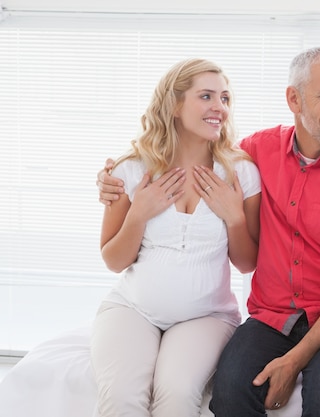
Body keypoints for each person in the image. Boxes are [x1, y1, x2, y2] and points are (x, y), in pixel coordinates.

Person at [98, 46, 320, 417]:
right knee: (229, 394)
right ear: (294, 98)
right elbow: (200, 150)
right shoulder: (259, 151)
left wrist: (294, 360)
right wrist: (113, 184)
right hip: (273, 316)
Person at [92, 58, 261, 417]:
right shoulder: (131, 170)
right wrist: (138, 213)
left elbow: (248, 263)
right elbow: (113, 260)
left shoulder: (240, 172)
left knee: (177, 394)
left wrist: (233, 217)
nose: (220, 108)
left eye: (225, 98)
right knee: (121, 398)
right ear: (174, 105)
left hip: (207, 316)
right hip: (133, 310)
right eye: (206, 96)